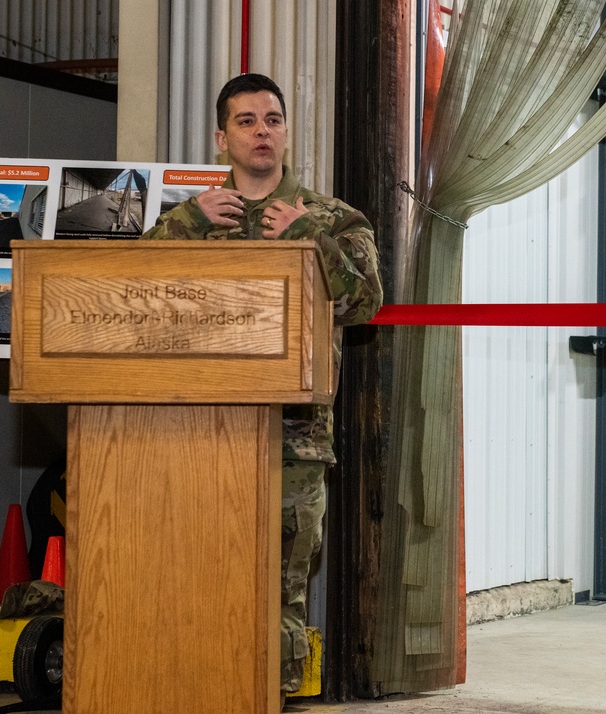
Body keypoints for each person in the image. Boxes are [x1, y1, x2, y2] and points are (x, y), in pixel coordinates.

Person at [142, 73, 383, 706]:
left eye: (272, 119)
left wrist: (311, 240)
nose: (261, 131)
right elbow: (129, 296)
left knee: (281, 590)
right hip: (194, 430)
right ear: (222, 137)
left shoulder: (333, 218)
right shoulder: (186, 220)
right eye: (246, 121)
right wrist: (186, 224)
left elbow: (365, 304)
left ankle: (271, 699)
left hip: (294, 440)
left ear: (286, 132)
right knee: (194, 576)